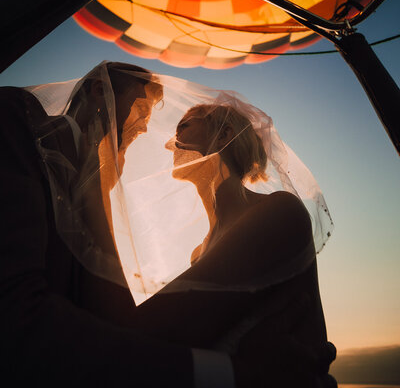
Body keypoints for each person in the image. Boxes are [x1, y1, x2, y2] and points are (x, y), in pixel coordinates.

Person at [0, 62, 241, 387]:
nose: (143, 129)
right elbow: (15, 320)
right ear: (100, 92)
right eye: (141, 109)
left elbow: (107, 309)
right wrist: (230, 374)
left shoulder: (94, 179)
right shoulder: (19, 120)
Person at [122, 98, 337, 386]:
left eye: (183, 127)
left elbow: (166, 324)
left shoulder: (279, 212)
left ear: (223, 135)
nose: (169, 144)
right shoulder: (199, 252)